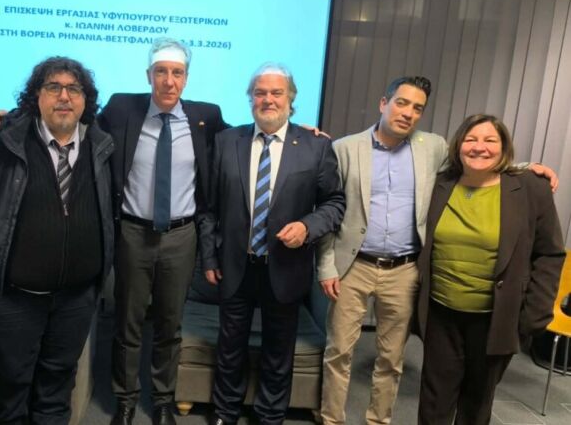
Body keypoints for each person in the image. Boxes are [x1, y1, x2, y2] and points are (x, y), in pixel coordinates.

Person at [316, 76, 559, 425]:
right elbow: (329, 205)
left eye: (418, 108)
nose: (408, 113)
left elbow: (478, 162)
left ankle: (378, 421)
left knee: (391, 359)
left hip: (404, 269)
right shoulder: (344, 148)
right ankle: (331, 420)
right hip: (354, 265)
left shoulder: (431, 147)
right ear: (384, 103)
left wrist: (527, 168)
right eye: (402, 103)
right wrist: (327, 266)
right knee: (338, 351)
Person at [202, 63, 346, 425]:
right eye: (260, 92)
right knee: (230, 347)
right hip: (235, 265)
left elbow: (334, 203)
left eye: (276, 93)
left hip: (286, 266)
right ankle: (224, 412)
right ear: (251, 98)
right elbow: (208, 208)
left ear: (290, 99)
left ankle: (269, 416)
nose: (268, 99)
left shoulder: (315, 146)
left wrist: (307, 226)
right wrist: (209, 257)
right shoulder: (226, 142)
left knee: (278, 350)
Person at [0, 56, 114, 424]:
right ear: (36, 96)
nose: (64, 97)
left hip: (75, 300)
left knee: (56, 394)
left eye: (74, 89)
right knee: (9, 396)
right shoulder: (4, 141)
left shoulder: (102, 146)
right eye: (54, 87)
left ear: (85, 99)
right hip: (13, 299)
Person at [98, 38, 229, 425]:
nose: (168, 81)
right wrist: (15, 115)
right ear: (148, 75)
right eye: (161, 72)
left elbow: (245, 136)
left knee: (170, 325)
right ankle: (125, 399)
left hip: (181, 237)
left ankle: (162, 400)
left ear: (186, 78)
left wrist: (298, 129)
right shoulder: (122, 108)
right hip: (133, 234)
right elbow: (76, 120)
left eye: (177, 73)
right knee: (128, 322)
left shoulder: (206, 117)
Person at [415, 114, 565, 425]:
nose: (479, 147)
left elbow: (549, 253)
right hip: (441, 313)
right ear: (458, 146)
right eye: (471, 139)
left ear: (504, 147)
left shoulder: (530, 189)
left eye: (490, 140)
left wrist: (534, 315)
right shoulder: (441, 184)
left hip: (495, 319)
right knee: (434, 402)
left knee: (476, 403)